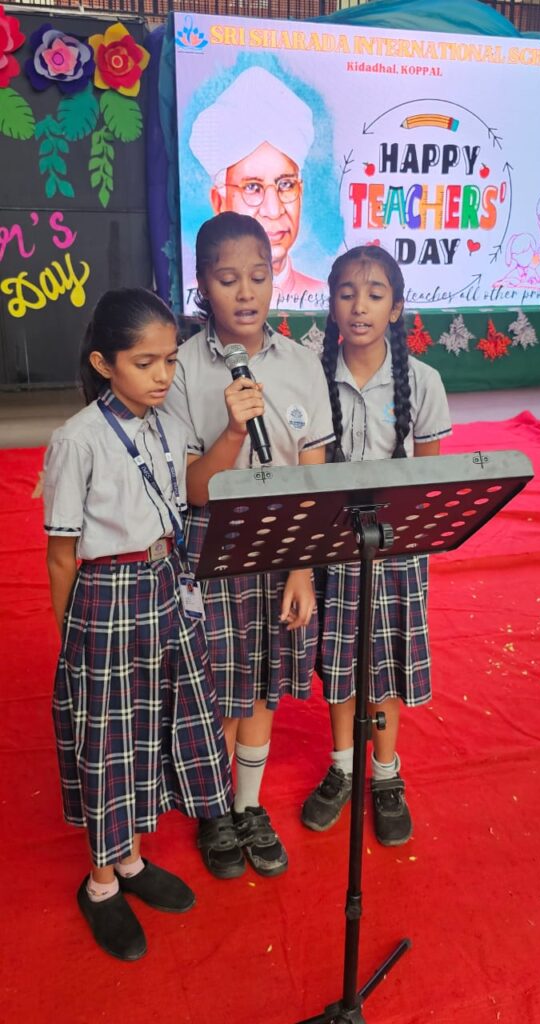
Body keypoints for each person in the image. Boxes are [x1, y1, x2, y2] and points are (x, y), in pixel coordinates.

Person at [44, 288, 232, 961]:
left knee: (150, 725)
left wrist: (235, 432)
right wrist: (73, 643)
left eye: (170, 360)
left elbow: (193, 487)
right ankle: (100, 885)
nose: (162, 376)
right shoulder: (78, 439)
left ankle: (130, 860)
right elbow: (61, 555)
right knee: (107, 738)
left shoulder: (166, 425)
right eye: (145, 362)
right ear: (104, 363)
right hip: (106, 599)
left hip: (165, 583)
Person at [163, 211, 335, 879]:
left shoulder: (301, 364)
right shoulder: (181, 368)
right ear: (202, 285)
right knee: (215, 688)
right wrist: (233, 432)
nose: (245, 292)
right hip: (212, 544)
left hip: (282, 540)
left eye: (258, 277)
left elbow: (311, 476)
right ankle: (212, 809)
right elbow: (191, 488)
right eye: (228, 279)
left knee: (262, 684)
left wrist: (302, 568)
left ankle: (247, 804)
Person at [301, 246, 452, 846]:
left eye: (374, 294)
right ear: (331, 303)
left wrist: (400, 536)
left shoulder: (424, 382)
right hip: (333, 548)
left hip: (397, 551)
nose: (359, 306)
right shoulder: (312, 378)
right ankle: (342, 767)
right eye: (346, 293)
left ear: (396, 307)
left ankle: (386, 774)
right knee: (340, 663)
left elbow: (429, 481)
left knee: (386, 661)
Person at [189, 66, 326, 309]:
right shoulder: (192, 296)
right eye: (253, 187)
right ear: (219, 202)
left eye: (286, 184)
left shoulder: (324, 294)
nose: (273, 211)